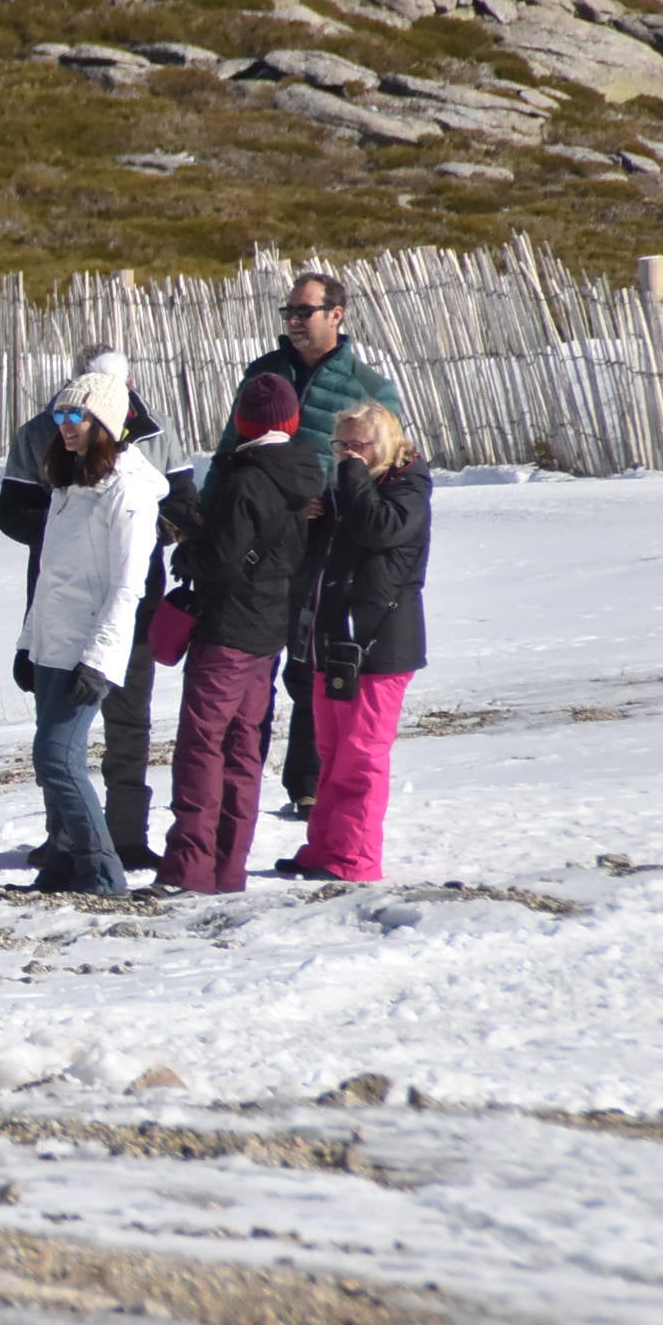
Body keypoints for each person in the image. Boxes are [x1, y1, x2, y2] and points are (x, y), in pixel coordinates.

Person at [222, 273, 405, 821]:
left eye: (306, 312)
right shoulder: (264, 375)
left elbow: (386, 468)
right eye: (290, 313)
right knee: (248, 659)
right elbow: (230, 449)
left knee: (310, 662)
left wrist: (333, 500)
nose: (295, 322)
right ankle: (237, 780)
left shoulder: (368, 387)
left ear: (337, 315)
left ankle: (306, 782)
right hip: (259, 535)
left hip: (325, 541)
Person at [0, 345, 188, 868]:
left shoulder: (153, 438)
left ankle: (123, 838)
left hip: (128, 615)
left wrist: (144, 533)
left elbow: (184, 505)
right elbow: (11, 511)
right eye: (64, 410)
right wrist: (69, 535)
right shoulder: (43, 438)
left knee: (127, 726)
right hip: (57, 607)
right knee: (54, 742)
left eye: (79, 413)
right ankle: (64, 841)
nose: (67, 422)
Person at [148, 372, 322, 897]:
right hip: (271, 629)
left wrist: (188, 553)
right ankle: (228, 869)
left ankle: (189, 869)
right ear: (290, 421)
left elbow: (223, 560)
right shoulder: (305, 470)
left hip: (228, 628)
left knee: (203, 748)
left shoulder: (246, 477)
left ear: (244, 422)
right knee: (246, 750)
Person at [283, 403, 429, 883]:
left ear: (382, 446)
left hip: (381, 643)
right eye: (339, 445)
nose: (346, 455)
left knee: (362, 757)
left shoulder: (408, 488)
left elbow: (378, 528)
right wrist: (313, 517)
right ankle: (325, 848)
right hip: (337, 639)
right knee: (331, 752)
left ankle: (356, 859)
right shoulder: (351, 489)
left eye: (356, 445)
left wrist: (350, 477)